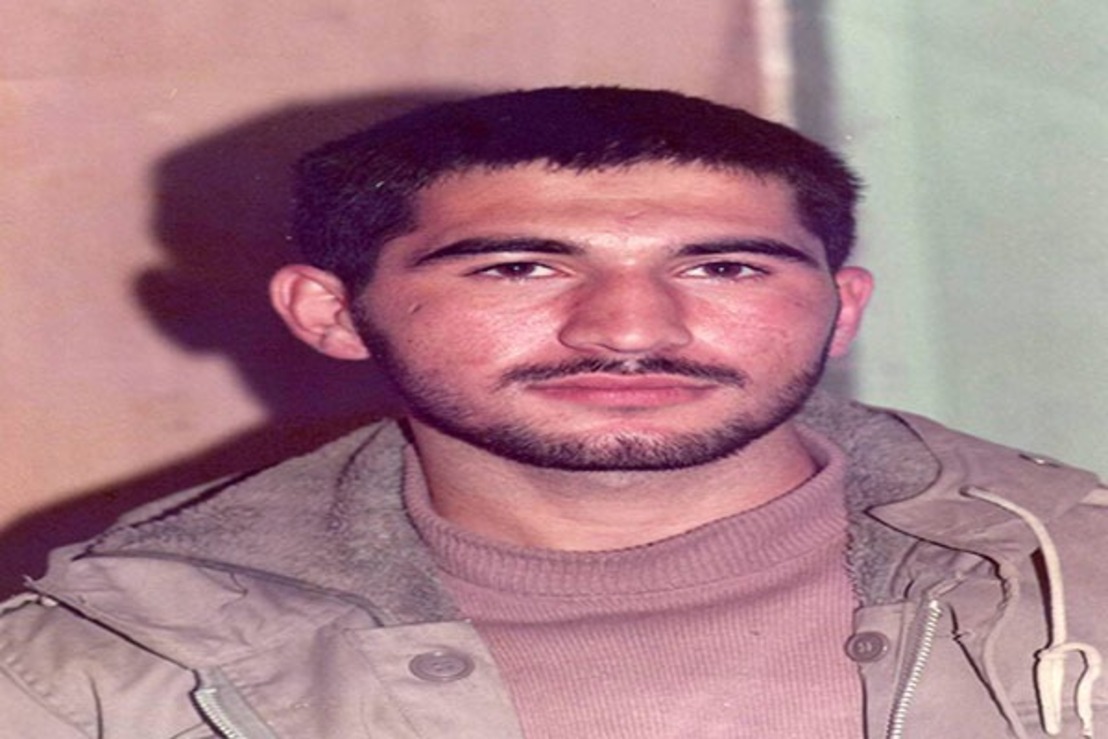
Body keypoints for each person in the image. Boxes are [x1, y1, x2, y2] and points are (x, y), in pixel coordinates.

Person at [0, 87, 1104, 739]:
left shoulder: (1077, 584)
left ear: (840, 307)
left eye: (723, 267)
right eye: (519, 268)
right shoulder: (94, 674)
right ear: (332, 313)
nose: (628, 328)